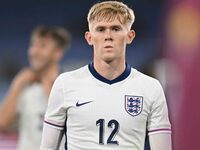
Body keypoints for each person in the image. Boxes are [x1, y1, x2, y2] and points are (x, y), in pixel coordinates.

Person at [40, 1, 172, 150]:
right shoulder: (65, 84)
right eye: (101, 29)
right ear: (89, 37)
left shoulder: (151, 88)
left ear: (130, 36)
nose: (108, 36)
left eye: (116, 29)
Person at [0, 25, 70, 150]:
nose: (34, 51)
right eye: (33, 45)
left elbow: (70, 123)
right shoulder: (25, 87)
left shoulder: (70, 86)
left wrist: (47, 84)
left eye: (42, 46)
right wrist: (17, 85)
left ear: (57, 53)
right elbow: (3, 123)